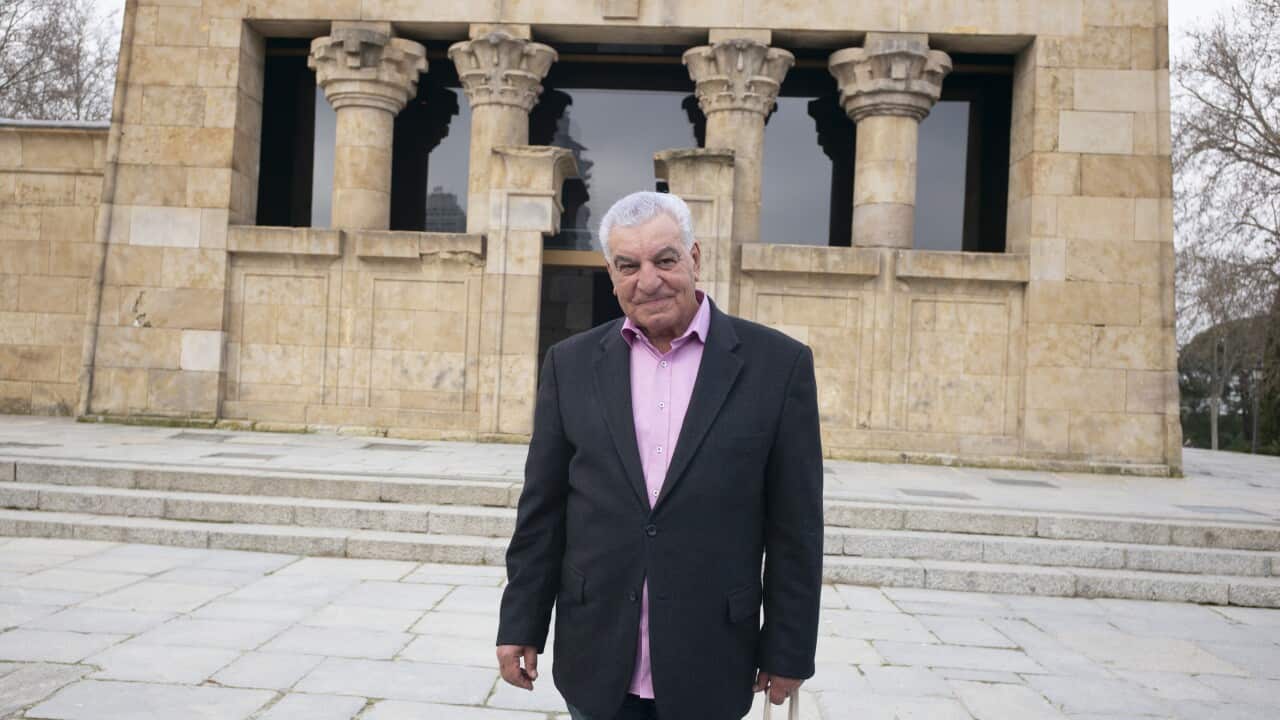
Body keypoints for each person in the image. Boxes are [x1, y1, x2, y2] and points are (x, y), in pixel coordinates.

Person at [495, 190, 824, 720]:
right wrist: (520, 624)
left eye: (664, 260)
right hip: (596, 653)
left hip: (712, 657)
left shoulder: (778, 367)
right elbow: (542, 512)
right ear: (611, 273)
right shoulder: (570, 365)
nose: (647, 281)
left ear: (694, 258)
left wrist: (788, 648)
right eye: (628, 266)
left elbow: (796, 528)